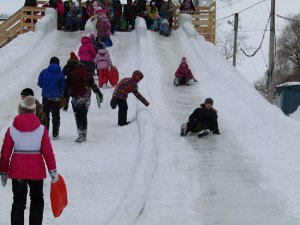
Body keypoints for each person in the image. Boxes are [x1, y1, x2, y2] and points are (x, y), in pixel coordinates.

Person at [0, 96, 58, 225]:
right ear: (34, 111)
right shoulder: (41, 130)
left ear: (20, 111)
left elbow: (5, 153)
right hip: (36, 171)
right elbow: (48, 153)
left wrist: (3, 171)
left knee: (18, 202)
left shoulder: (12, 130)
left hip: (17, 171)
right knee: (37, 200)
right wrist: (52, 171)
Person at [68, 63, 103, 142]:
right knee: (84, 115)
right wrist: (99, 94)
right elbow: (93, 85)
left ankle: (80, 134)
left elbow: (66, 86)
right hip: (86, 97)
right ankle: (84, 133)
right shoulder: (88, 74)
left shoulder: (72, 74)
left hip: (75, 97)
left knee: (78, 115)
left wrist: (64, 96)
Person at [38, 57, 65, 139]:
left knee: (45, 116)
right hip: (56, 98)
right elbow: (62, 87)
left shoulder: (44, 72)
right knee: (56, 116)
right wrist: (59, 93)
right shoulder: (61, 74)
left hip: (46, 97)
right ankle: (55, 134)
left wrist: (46, 88)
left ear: (50, 63)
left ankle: (45, 133)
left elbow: (40, 84)